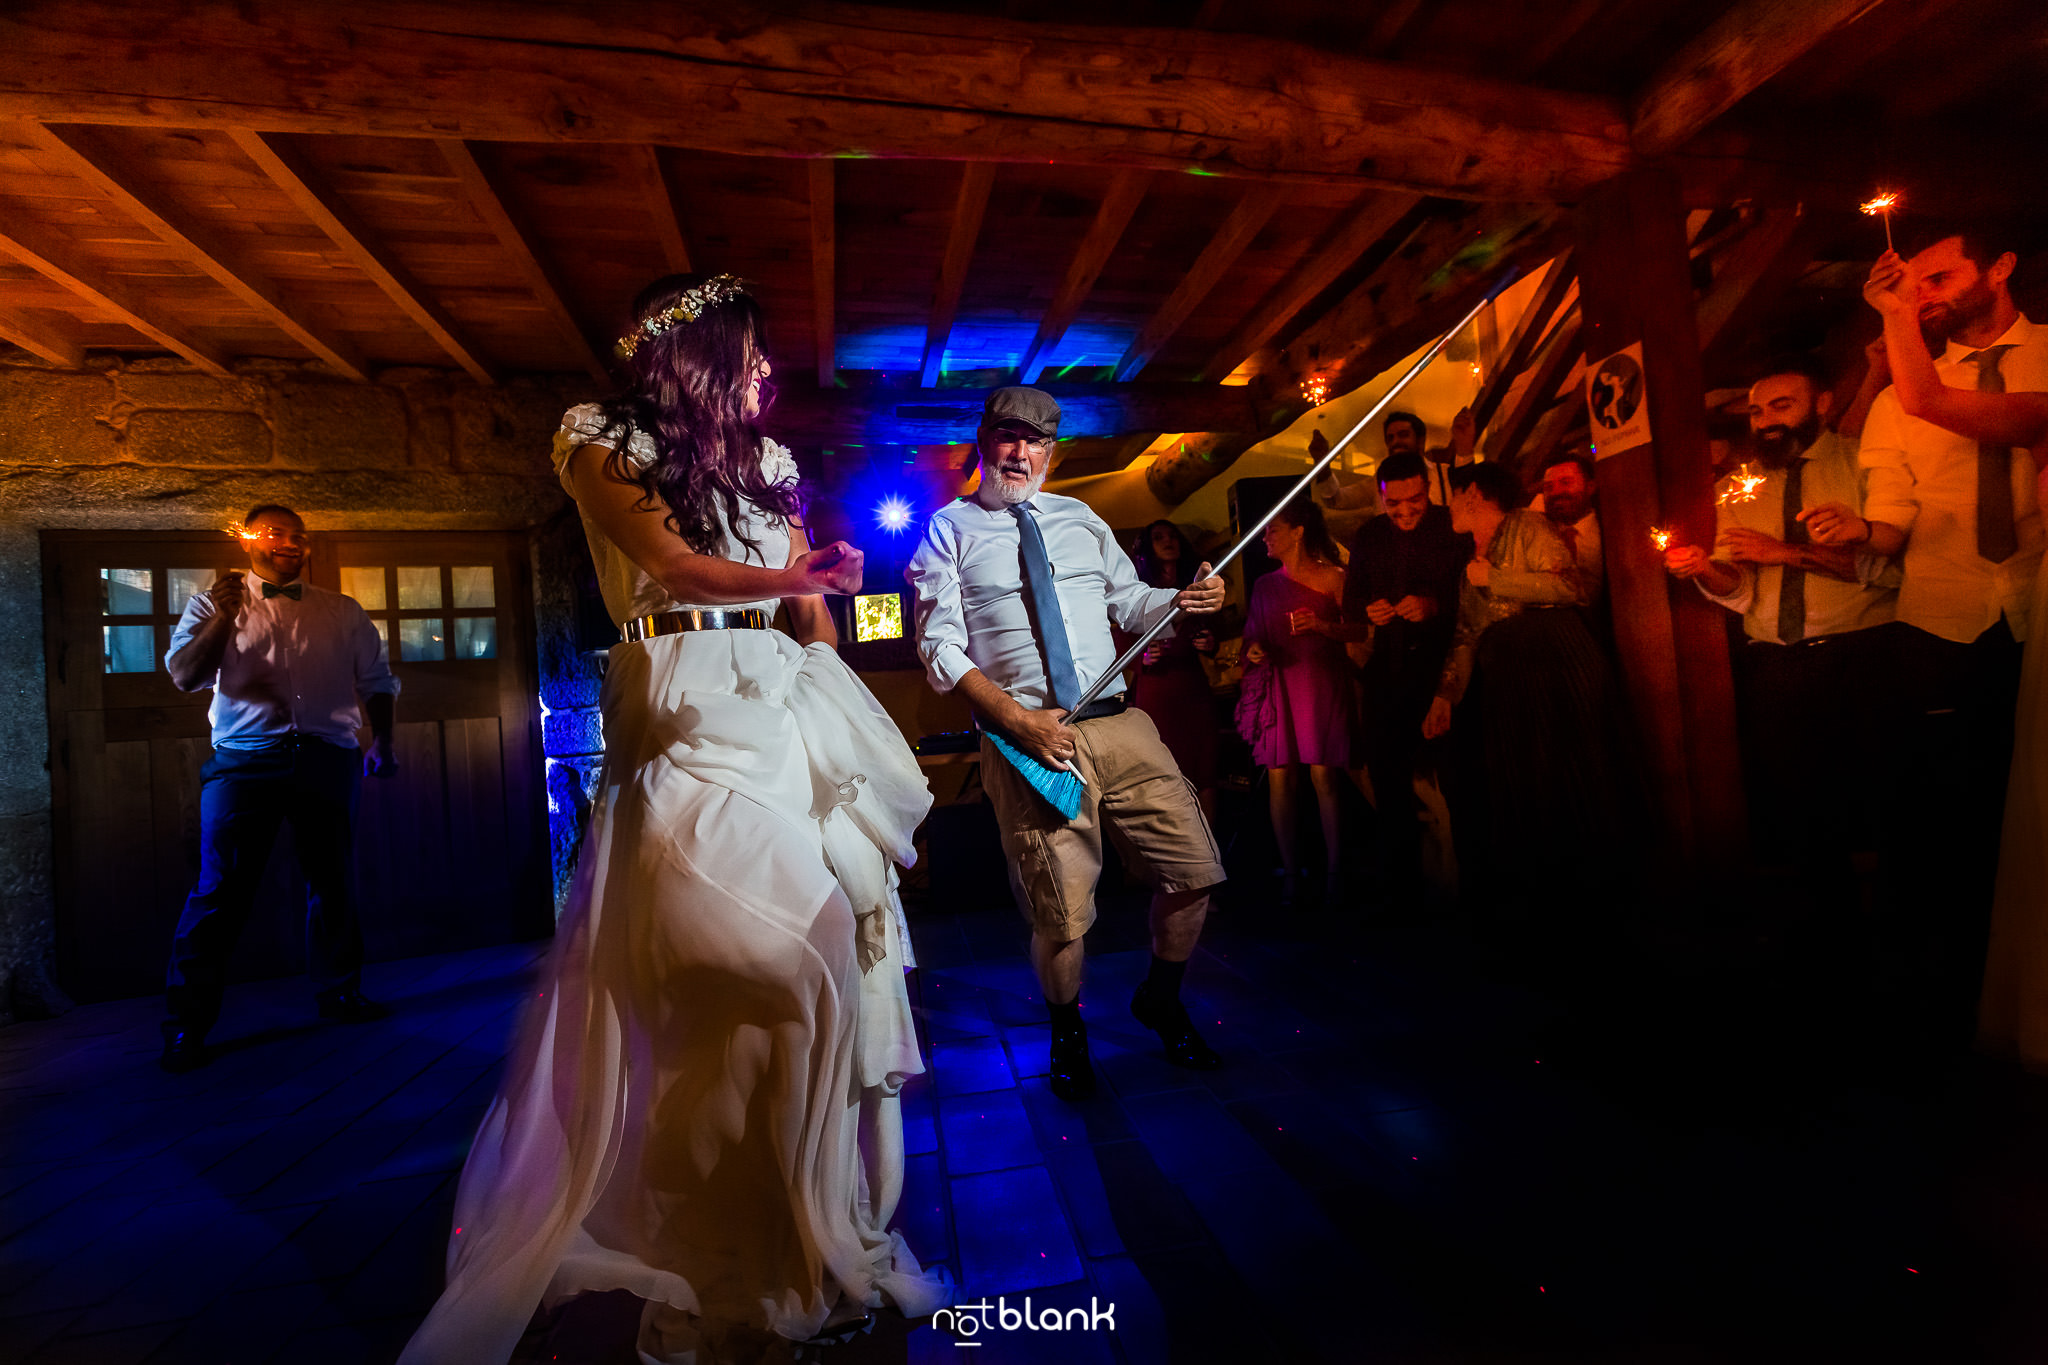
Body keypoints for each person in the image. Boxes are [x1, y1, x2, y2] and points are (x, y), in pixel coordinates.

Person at [400, 274, 946, 1364]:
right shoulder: (598, 440)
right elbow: (669, 564)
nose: (769, 375)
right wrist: (784, 574)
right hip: (681, 694)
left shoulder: (774, 464)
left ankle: (801, 1216)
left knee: (831, 942)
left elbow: (804, 605)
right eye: (752, 355)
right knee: (732, 955)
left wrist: (839, 699)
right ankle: (689, 1215)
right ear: (697, 355)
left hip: (779, 696)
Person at [906, 386, 1228, 1103]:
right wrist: (1015, 722)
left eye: (1036, 441)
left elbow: (1132, 599)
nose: (1021, 453)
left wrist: (1182, 599)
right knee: (1061, 911)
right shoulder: (947, 530)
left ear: (1052, 451)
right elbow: (939, 647)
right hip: (1031, 741)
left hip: (1120, 719)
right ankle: (1067, 1032)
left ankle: (1162, 998)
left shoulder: (1080, 518)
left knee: (1196, 870)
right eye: (1008, 437)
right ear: (984, 441)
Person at [1806, 222, 2046, 1051]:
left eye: (1941, 278)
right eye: (1920, 286)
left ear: (2002, 266)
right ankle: (1948, 1001)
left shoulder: (2047, 357)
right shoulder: (1900, 400)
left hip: (2039, 608)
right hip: (1943, 619)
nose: (1928, 296)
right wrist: (1855, 531)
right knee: (1948, 817)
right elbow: (1892, 530)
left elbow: (1947, 407)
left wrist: (1893, 319)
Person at [157, 504, 399, 1074]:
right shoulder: (209, 605)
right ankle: (187, 1023)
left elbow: (378, 681)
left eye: (297, 535)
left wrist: (383, 742)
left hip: (327, 759)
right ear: (248, 542)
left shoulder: (341, 611)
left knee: (333, 881)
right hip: (244, 764)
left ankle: (339, 993)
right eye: (274, 533)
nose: (289, 542)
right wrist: (224, 618)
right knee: (218, 892)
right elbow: (186, 676)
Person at [1664, 358, 1899, 867]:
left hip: (1860, 657)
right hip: (1775, 665)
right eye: (1755, 411)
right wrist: (1704, 569)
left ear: (1822, 404)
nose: (1766, 420)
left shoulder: (1864, 463)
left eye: (1781, 405)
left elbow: (1892, 571)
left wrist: (1786, 552)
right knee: (1794, 813)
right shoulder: (1738, 485)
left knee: (1876, 806)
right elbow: (1741, 590)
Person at [1425, 462, 1625, 912]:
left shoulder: (1527, 524)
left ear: (1472, 492)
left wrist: (1496, 578)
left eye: (1453, 496)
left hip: (1553, 663)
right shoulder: (1469, 564)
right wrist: (1444, 695)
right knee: (1526, 784)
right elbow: (1465, 632)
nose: (1448, 507)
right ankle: (1542, 895)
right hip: (1512, 679)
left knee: (1563, 774)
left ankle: (1593, 893)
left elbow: (1570, 587)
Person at [1338, 450, 1469, 898]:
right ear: (1381, 498)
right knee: (1388, 782)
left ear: (1428, 490)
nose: (1405, 510)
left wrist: (1432, 606)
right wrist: (1368, 610)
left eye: (1413, 499)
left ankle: (1461, 882)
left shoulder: (1453, 527)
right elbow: (1352, 601)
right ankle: (1403, 888)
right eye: (1394, 504)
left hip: (1441, 671)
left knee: (1454, 780)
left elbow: (1471, 602)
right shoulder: (1369, 535)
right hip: (1387, 672)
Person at [1240, 498, 1358, 905]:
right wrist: (1254, 649)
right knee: (1280, 775)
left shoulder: (1334, 579)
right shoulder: (1264, 585)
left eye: (1273, 529)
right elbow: (1252, 634)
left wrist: (1324, 626)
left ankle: (1336, 872)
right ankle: (1291, 873)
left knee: (1325, 776)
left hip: (1321, 683)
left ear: (1298, 531)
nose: (1265, 537)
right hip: (1280, 685)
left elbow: (1359, 632)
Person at [1130, 519, 1220, 816]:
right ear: (1148, 548)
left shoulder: (1192, 585)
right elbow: (1120, 639)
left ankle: (1211, 854)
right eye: (1159, 538)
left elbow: (1210, 628)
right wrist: (1141, 658)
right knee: (1165, 772)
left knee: (1205, 771)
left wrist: (1210, 643)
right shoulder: (1138, 592)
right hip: (1158, 691)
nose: (1168, 541)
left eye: (1172, 536)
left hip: (1193, 688)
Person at [1531, 453, 1604, 600]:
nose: (1555, 492)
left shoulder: (1609, 530)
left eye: (1566, 482)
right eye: (1548, 487)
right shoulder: (1536, 535)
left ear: (1590, 487)